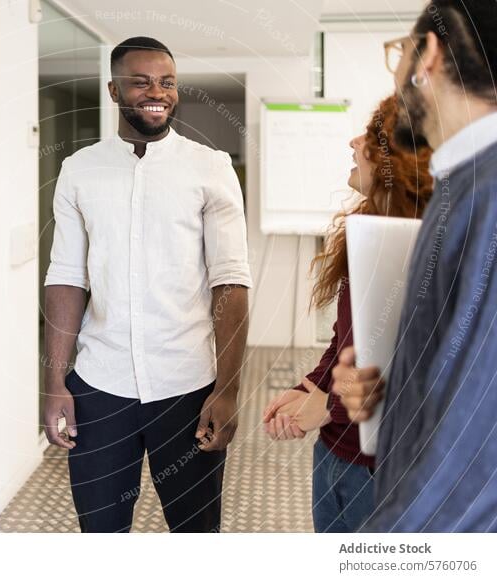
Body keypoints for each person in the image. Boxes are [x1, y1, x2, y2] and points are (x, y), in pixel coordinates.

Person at [42, 37, 251, 533]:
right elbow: (67, 279)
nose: (156, 92)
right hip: (99, 385)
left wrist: (228, 390)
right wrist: (54, 384)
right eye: (140, 82)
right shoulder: (79, 171)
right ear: (114, 90)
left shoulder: (210, 168)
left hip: (187, 384)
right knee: (101, 530)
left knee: (196, 531)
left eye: (167, 82)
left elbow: (231, 284)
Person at [332, 0, 497, 531]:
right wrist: (390, 391)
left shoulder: (487, 195)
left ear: (427, 55)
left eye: (399, 53)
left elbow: (467, 453)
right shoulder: (464, 187)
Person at [262, 94, 433, 532]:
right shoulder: (371, 231)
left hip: (381, 472)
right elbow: (346, 341)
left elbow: (417, 374)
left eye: (372, 136)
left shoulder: (433, 251)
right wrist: (309, 386)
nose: (354, 142)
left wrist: (326, 407)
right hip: (334, 456)